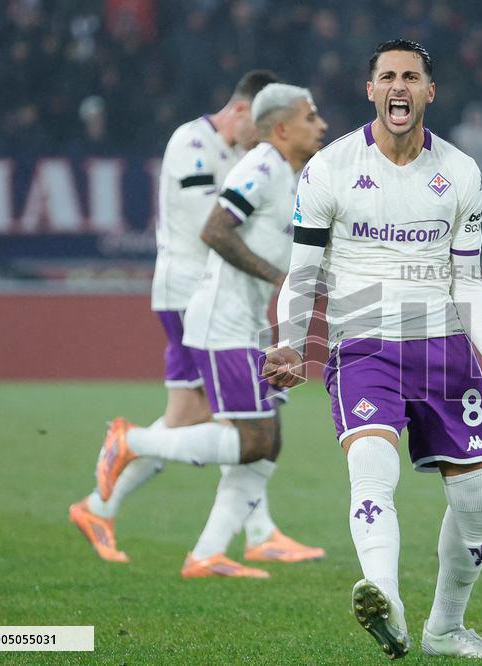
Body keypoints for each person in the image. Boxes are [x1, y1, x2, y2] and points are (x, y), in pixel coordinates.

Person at [263, 39, 482, 659]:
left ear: (429, 92)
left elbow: (467, 279)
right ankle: (384, 598)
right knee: (371, 468)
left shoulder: (460, 172)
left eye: (411, 77)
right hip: (365, 348)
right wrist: (289, 344)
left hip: (444, 350)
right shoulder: (329, 168)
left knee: (478, 497)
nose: (398, 86)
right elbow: (302, 273)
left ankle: (445, 629)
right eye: (387, 77)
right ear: (371, 90)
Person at [93, 83, 329, 578]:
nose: (322, 125)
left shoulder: (290, 175)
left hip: (247, 321)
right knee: (251, 439)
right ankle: (133, 441)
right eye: (311, 117)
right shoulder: (262, 167)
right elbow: (215, 229)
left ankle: (209, 553)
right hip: (223, 321)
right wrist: (276, 276)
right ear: (282, 128)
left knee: (269, 441)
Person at [69, 69, 276, 565]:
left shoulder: (239, 153)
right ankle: (253, 533)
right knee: (241, 414)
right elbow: (210, 224)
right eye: (261, 127)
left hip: (210, 295)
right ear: (241, 110)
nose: (263, 140)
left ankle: (99, 506)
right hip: (189, 293)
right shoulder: (192, 142)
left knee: (191, 417)